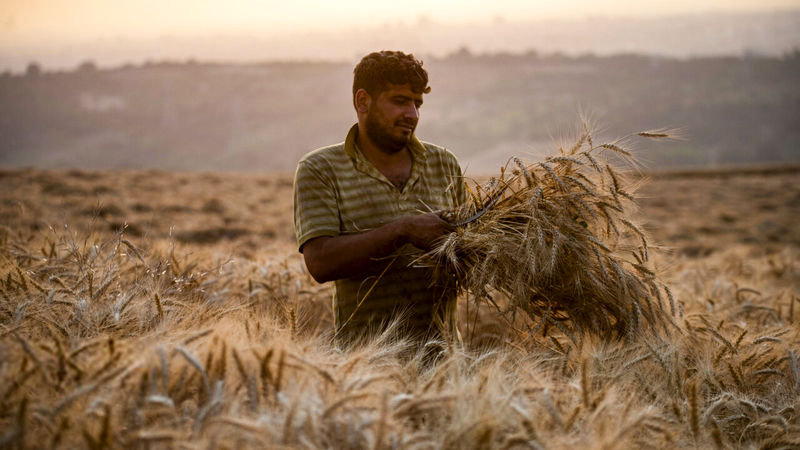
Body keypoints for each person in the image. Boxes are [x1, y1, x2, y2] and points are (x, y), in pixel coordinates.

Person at [293, 50, 466, 347]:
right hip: (366, 367)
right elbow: (320, 263)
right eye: (400, 101)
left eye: (417, 103)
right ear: (363, 101)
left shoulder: (444, 163)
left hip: (445, 363)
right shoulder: (321, 169)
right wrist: (402, 230)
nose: (412, 114)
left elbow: (468, 253)